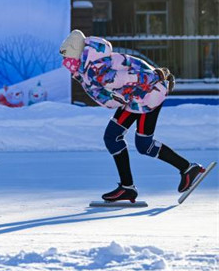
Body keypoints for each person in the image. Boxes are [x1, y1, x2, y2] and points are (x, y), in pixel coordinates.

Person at [59, 30, 204, 202]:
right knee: (113, 137)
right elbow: (106, 90)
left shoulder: (97, 68)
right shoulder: (90, 67)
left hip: (148, 95)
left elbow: (132, 77)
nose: (65, 63)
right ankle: (127, 187)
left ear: (76, 53)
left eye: (67, 58)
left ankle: (188, 169)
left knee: (143, 144)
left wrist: (155, 76)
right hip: (134, 98)